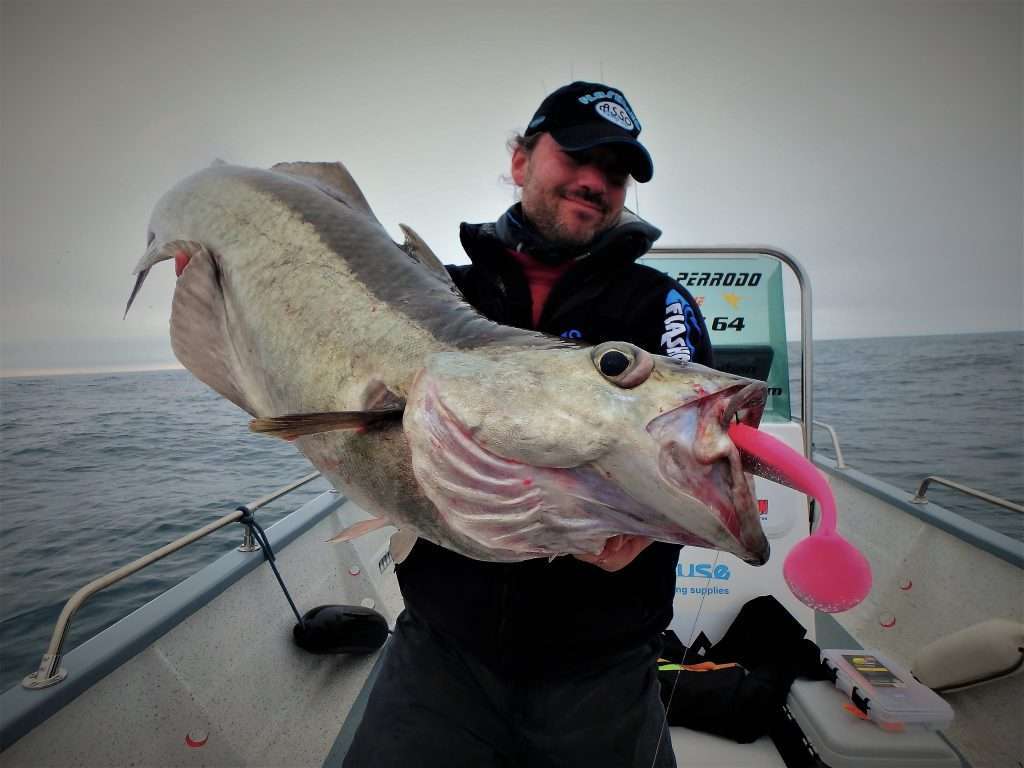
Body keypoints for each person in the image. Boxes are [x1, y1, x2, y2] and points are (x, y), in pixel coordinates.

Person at [343, 81, 712, 768]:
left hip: (601, 667)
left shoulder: (658, 304)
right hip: (441, 648)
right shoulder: (441, 292)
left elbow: (689, 444)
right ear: (520, 161)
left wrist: (651, 524)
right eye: (577, 156)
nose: (596, 181)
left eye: (615, 172)